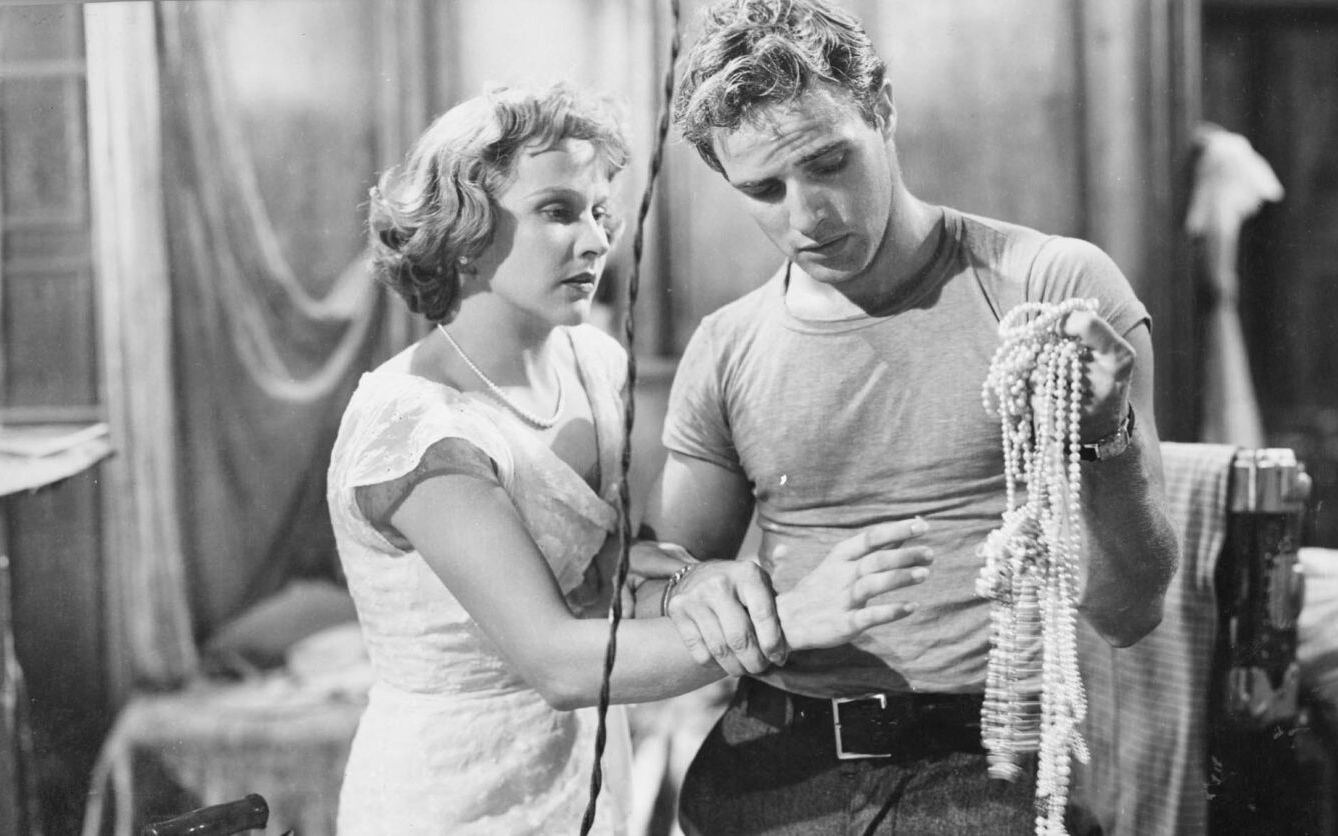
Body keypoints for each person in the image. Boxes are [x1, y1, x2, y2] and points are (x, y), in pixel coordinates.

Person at [325, 82, 937, 835]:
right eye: (557, 211)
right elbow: (557, 662)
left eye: (598, 211)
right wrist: (791, 617)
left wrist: (689, 578)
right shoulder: (412, 427)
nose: (595, 241)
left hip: (584, 771)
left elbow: (602, 563)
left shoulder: (593, 363)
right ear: (464, 227)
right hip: (448, 793)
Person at [632, 1, 1183, 833]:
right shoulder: (727, 346)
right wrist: (692, 583)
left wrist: (1105, 436)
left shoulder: (1047, 289)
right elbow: (653, 581)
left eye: (828, 163)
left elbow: (1131, 610)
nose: (808, 218)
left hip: (985, 766)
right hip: (769, 761)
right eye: (764, 190)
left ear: (882, 108)